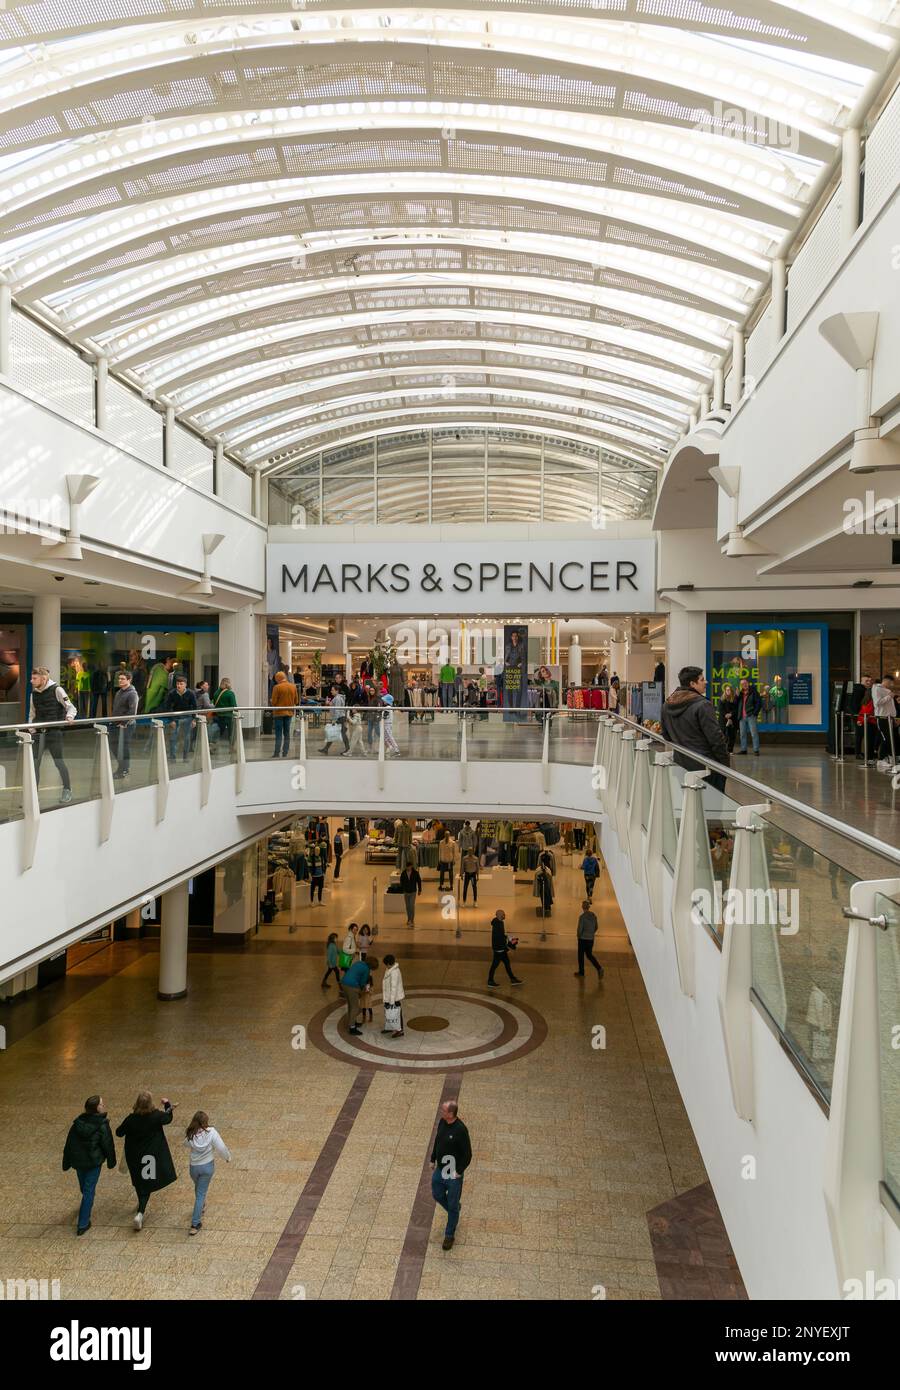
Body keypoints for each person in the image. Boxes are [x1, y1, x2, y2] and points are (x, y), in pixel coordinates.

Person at [660, 666, 730, 794]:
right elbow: (716, 739)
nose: (706, 682)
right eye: (702, 680)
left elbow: (666, 736)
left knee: (689, 807)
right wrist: (724, 765)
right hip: (707, 767)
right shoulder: (703, 705)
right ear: (692, 684)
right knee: (711, 809)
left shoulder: (666, 705)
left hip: (681, 765)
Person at [115, 1091, 177, 1230]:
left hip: (134, 1156)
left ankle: (140, 1205)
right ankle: (140, 1213)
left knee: (139, 1182)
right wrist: (167, 1103)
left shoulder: (131, 1119)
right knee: (146, 1184)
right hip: (149, 1157)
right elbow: (168, 1118)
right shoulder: (156, 1116)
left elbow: (119, 1132)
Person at [62, 1094, 117, 1235]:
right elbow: (107, 1144)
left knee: (85, 1188)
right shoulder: (102, 1125)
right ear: (97, 1108)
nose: (103, 1106)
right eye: (102, 1104)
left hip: (79, 1162)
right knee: (88, 1191)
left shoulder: (78, 1123)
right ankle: (83, 1224)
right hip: (93, 1162)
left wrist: (67, 1161)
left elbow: (69, 1144)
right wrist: (111, 1160)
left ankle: (85, 1206)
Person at [29, 666, 77, 803]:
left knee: (59, 762)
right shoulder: (34, 694)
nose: (31, 681)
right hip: (38, 734)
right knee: (34, 765)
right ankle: (33, 796)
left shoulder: (57, 689)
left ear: (43, 678)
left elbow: (71, 707)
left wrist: (70, 716)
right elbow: (32, 714)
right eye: (32, 678)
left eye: (34, 678)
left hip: (54, 733)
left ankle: (67, 789)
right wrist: (31, 728)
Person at [430, 1099, 472, 1251]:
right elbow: (437, 1140)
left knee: (452, 1204)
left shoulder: (461, 1130)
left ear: (451, 1113)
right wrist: (432, 1158)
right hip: (440, 1169)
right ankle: (454, 1210)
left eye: (444, 1111)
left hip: (453, 1174)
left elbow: (468, 1154)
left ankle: (449, 1235)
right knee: (437, 1194)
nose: (441, 1112)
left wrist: (458, 1171)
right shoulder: (442, 1122)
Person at [185, 1110, 231, 1235]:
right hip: (207, 1167)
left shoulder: (190, 1133)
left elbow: (186, 1144)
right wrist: (227, 1157)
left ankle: (201, 1205)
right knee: (200, 1193)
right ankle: (195, 1223)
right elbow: (221, 1147)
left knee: (199, 1189)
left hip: (194, 1167)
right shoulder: (211, 1132)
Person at [340, 955, 378, 1036]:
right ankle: (352, 1028)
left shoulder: (359, 963)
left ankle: (352, 1022)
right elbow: (362, 983)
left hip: (344, 983)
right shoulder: (366, 969)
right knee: (355, 1007)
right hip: (351, 986)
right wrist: (362, 991)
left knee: (351, 1005)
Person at [111, 670, 139, 780]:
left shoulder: (132, 693)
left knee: (123, 748)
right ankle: (122, 767)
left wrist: (124, 723)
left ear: (129, 680)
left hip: (127, 726)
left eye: (122, 679)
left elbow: (133, 711)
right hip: (115, 725)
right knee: (114, 746)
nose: (120, 680)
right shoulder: (119, 692)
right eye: (119, 678)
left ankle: (124, 769)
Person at [163, 674, 197, 762]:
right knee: (173, 738)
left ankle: (185, 757)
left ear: (185, 684)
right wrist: (171, 720)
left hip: (188, 717)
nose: (179, 686)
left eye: (181, 684)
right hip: (176, 717)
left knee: (186, 737)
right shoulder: (172, 693)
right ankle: (172, 757)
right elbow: (167, 707)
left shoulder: (191, 693)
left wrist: (194, 719)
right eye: (177, 684)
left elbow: (195, 706)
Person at [487, 909, 522, 987]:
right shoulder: (497, 925)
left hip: (500, 949)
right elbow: (498, 938)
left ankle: (512, 979)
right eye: (503, 914)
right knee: (495, 965)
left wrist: (509, 938)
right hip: (499, 950)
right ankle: (490, 981)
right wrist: (507, 948)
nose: (505, 915)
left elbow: (501, 935)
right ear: (499, 915)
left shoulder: (499, 922)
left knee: (506, 964)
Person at [270, 669, 297, 758]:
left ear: (278, 679)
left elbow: (274, 702)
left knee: (278, 734)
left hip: (279, 713)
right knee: (287, 733)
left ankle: (276, 753)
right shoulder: (293, 687)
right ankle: (285, 752)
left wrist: (271, 701)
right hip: (289, 713)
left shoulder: (277, 687)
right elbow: (296, 701)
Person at [575, 900, 604, 980]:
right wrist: (591, 933)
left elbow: (579, 930)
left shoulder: (582, 917)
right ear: (588, 907)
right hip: (591, 939)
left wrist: (579, 936)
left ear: (582, 907)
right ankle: (599, 968)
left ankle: (581, 972)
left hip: (583, 939)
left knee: (580, 955)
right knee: (589, 955)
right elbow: (596, 927)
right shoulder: (593, 915)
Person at [872, 675, 898, 762]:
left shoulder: (886, 690)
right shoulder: (877, 689)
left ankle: (890, 756)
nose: (891, 685)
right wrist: (889, 696)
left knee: (891, 739)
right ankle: (881, 758)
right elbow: (877, 702)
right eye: (890, 683)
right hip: (882, 718)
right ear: (886, 681)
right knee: (885, 738)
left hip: (889, 718)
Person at [320, 682, 349, 755]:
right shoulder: (336, 698)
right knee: (333, 732)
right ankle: (326, 749)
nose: (331, 691)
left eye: (332, 690)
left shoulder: (338, 698)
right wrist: (327, 703)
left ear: (337, 691)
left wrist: (334, 720)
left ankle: (348, 749)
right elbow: (332, 705)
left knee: (341, 734)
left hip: (340, 718)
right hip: (339, 718)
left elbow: (337, 710)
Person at [736, 677, 762, 755]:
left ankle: (756, 750)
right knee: (742, 734)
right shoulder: (740, 693)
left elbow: (759, 703)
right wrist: (737, 696)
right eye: (742, 684)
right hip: (742, 717)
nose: (744, 685)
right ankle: (744, 749)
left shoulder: (753, 692)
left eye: (745, 683)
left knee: (754, 733)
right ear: (741, 685)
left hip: (751, 716)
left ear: (748, 683)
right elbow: (736, 704)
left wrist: (755, 713)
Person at [381, 953, 405, 1038]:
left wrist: (391, 1002)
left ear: (389, 964)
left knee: (397, 1013)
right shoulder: (390, 969)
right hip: (389, 997)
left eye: (386, 965)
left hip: (394, 998)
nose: (386, 966)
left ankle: (400, 1030)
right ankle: (390, 1027)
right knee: (389, 1013)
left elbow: (393, 988)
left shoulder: (394, 972)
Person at [212, 677, 237, 749]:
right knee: (231, 732)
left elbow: (214, 703)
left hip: (218, 715)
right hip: (228, 716)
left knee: (218, 731)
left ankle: (213, 744)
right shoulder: (230, 693)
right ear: (228, 684)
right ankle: (231, 747)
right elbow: (234, 706)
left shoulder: (216, 693)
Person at [398, 861, 422, 926]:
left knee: (411, 906)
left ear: (411, 866)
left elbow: (419, 881)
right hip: (406, 892)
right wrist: (403, 889)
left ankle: (412, 919)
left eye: (409, 866)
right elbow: (401, 882)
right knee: (407, 906)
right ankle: (408, 919)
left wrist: (420, 890)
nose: (408, 868)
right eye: (407, 866)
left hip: (413, 892)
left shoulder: (415, 873)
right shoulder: (403, 873)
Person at [718, 682, 738, 754]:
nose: (728, 691)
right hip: (723, 720)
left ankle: (730, 750)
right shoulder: (721, 699)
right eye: (727, 690)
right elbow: (720, 709)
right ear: (725, 691)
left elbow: (736, 709)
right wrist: (726, 715)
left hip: (733, 720)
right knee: (723, 735)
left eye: (729, 690)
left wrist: (731, 714)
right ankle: (723, 750)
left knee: (732, 735)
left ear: (731, 691)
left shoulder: (735, 699)